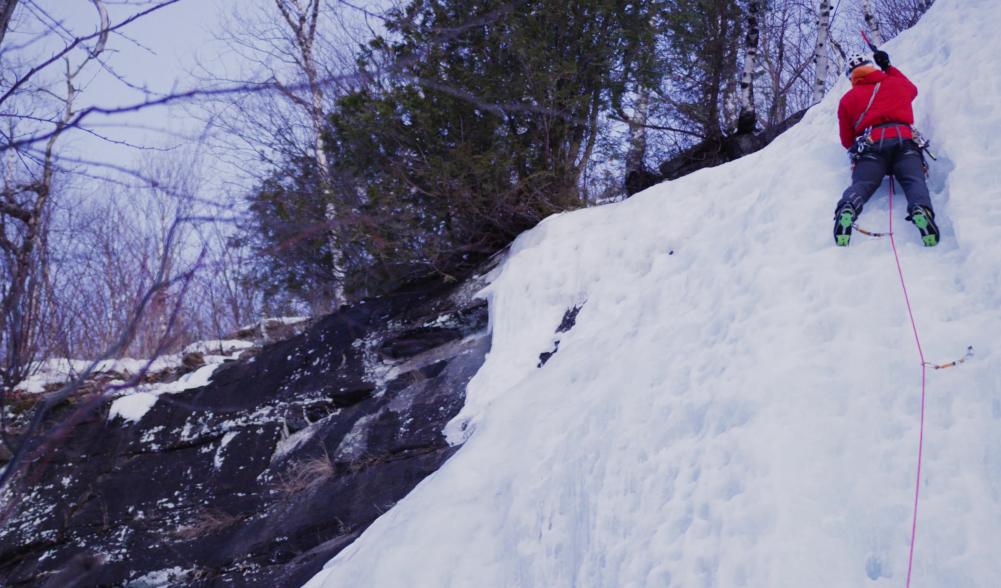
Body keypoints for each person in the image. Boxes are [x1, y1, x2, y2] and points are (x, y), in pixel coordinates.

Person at [833, 49, 939, 247]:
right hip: (905, 140)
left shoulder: (847, 100)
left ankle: (848, 207)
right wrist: (888, 68)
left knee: (863, 183)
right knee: (914, 180)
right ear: (871, 66)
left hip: (872, 146)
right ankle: (920, 209)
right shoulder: (896, 83)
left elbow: (847, 140)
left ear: (851, 76)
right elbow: (912, 90)